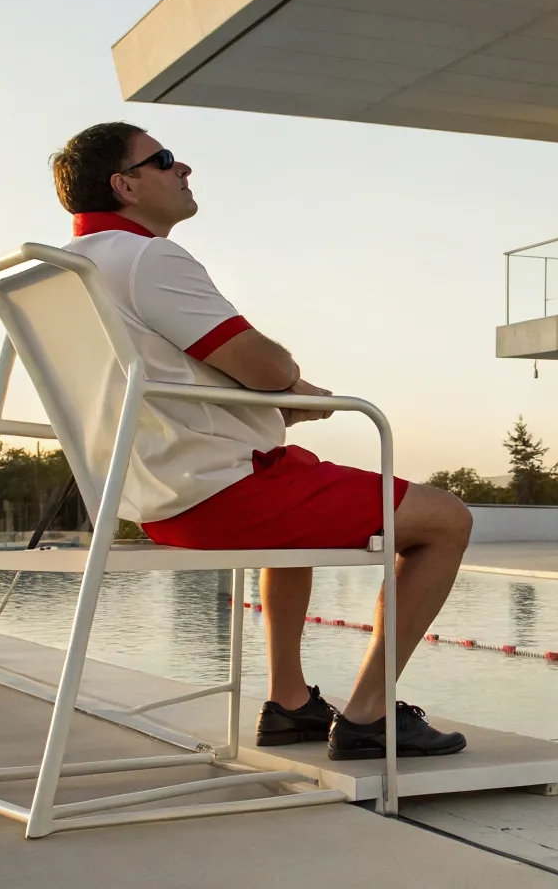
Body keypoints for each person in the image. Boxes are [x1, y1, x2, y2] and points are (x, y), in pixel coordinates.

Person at [49, 121, 474, 760]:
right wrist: (290, 386)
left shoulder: (69, 272)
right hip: (221, 492)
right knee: (446, 520)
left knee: (293, 474)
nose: (184, 168)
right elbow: (268, 368)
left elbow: (157, 388)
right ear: (124, 186)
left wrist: (275, 404)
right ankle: (368, 716)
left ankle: (290, 703)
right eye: (164, 159)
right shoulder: (145, 259)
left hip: (150, 497)